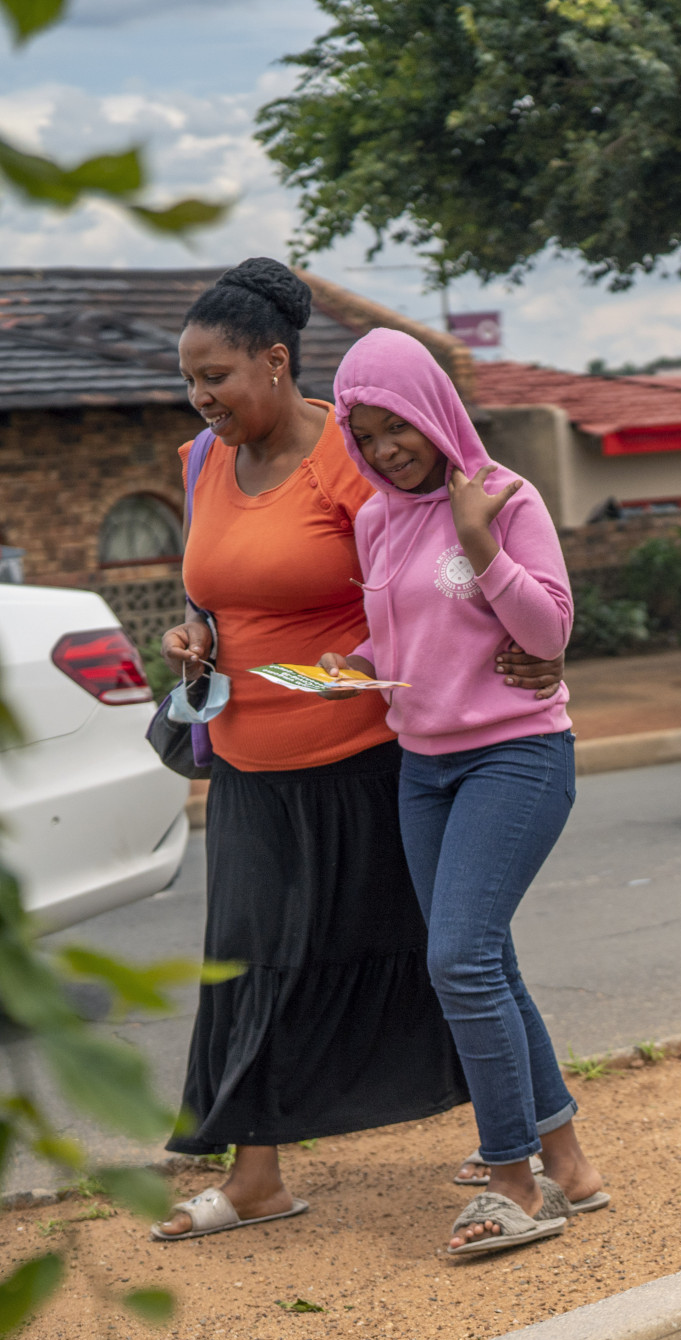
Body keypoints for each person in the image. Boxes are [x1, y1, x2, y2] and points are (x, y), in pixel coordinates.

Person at [150, 260, 560, 1242]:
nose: (203, 398)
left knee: (454, 948)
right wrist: (196, 633)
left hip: (373, 751)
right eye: (192, 381)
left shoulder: (358, 445)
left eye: (219, 377)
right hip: (248, 751)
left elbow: (432, 560)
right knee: (248, 962)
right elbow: (217, 586)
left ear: (277, 363)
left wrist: (511, 647)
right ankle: (257, 1178)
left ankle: (543, 1145)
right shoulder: (202, 461)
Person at [321, 328, 604, 1259]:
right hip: (424, 765)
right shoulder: (373, 520)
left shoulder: (504, 498)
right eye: (366, 435)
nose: (386, 447)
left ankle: (510, 1179)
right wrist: (349, 665)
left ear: (433, 410)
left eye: (396, 424)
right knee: (487, 961)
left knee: (460, 961)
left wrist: (479, 540)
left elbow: (548, 631)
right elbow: (408, 641)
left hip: (516, 757)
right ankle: (567, 1164)